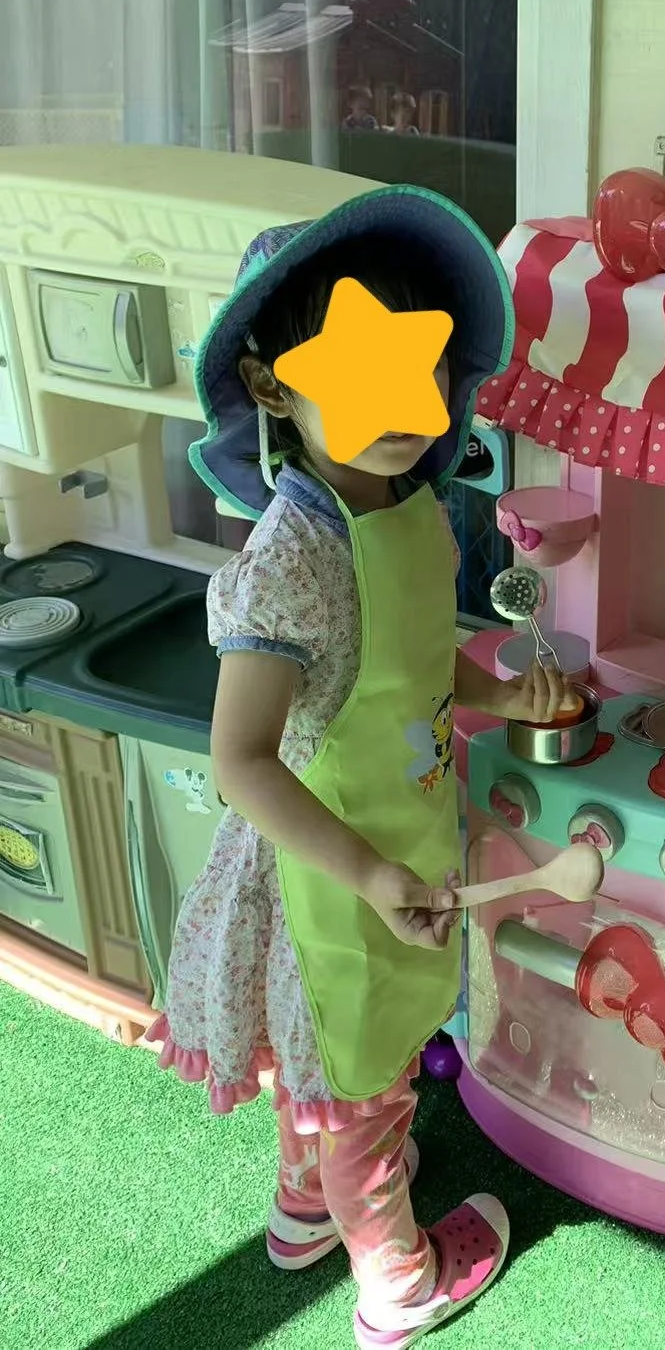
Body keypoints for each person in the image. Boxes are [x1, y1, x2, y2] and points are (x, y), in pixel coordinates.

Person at [146, 188, 572, 1349]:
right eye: (360, 371)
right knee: (366, 1104)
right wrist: (370, 872)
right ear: (277, 384)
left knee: (330, 1084)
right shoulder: (288, 563)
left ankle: (299, 1213)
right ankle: (398, 1288)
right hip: (328, 882)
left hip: (394, 845)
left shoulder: (409, 502)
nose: (406, 406)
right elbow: (240, 761)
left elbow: (407, 663)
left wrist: (492, 692)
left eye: (421, 368)